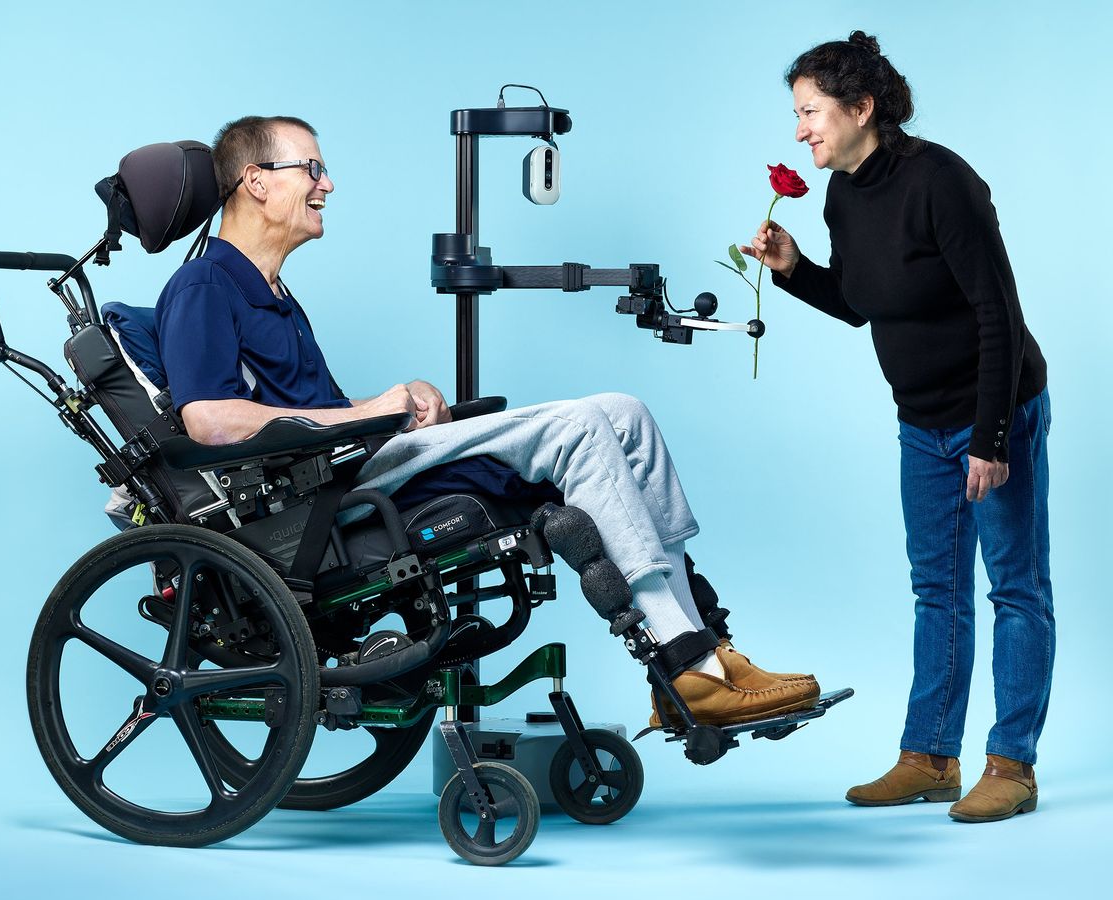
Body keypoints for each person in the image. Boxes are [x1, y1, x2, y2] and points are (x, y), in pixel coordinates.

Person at [154, 114, 821, 728]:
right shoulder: (204, 286)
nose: (328, 183)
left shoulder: (273, 293)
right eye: (312, 169)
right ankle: (684, 667)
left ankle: (711, 649)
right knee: (582, 428)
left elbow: (302, 407)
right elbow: (211, 422)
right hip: (318, 493)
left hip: (355, 458)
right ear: (257, 182)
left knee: (625, 412)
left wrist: (400, 402)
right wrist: (369, 413)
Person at [740, 32, 1052, 822]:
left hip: (995, 411)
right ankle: (929, 758)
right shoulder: (845, 193)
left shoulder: (941, 182)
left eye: (810, 112)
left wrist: (991, 440)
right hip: (920, 424)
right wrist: (795, 270)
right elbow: (859, 302)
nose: (801, 129)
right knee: (936, 592)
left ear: (861, 107)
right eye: (799, 114)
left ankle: (1011, 766)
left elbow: (1000, 318)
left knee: (1015, 590)